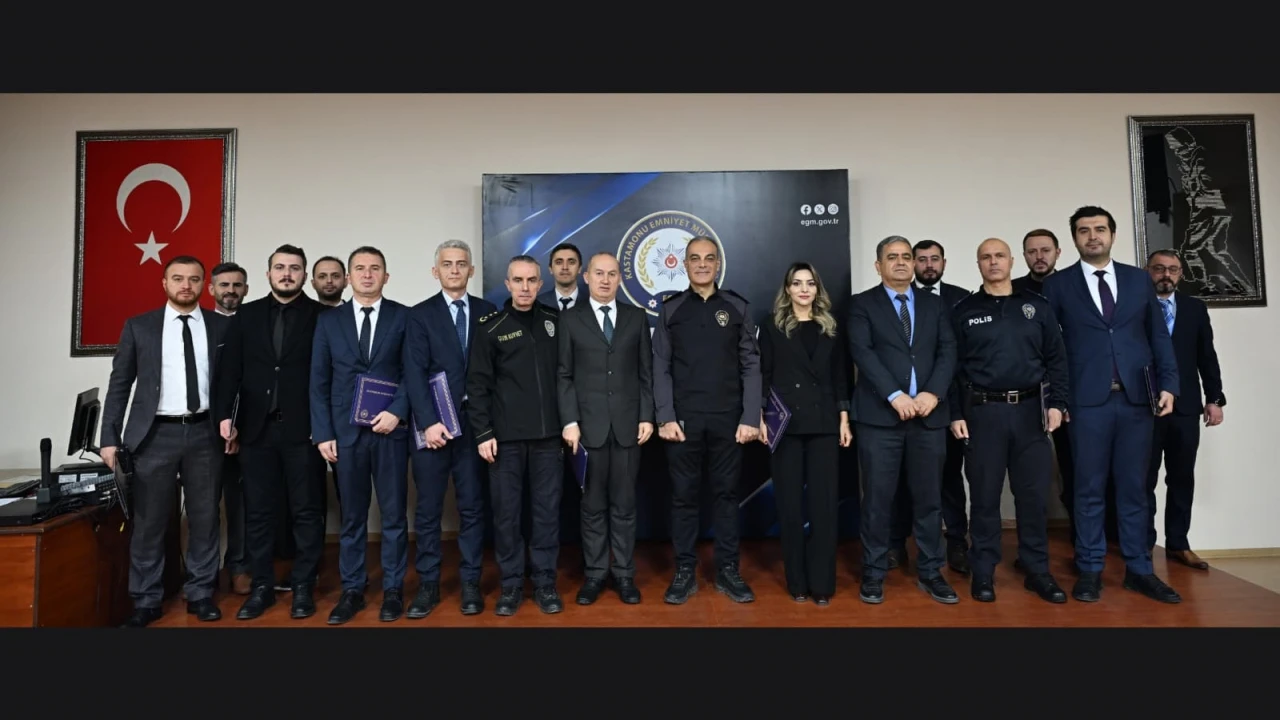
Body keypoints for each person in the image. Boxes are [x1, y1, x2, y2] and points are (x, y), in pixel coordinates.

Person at [1041, 206, 1181, 604]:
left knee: (1135, 489)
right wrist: (1056, 399)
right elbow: (1050, 349)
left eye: (1099, 229)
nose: (1092, 236)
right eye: (1084, 231)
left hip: (1137, 400)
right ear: (1074, 239)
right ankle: (1089, 569)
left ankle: (1140, 570)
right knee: (1088, 489)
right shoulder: (1058, 285)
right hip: (1086, 403)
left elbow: (1159, 336)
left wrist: (1170, 384)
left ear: (1112, 235)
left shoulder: (1139, 280)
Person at [101, 255, 230, 627]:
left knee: (205, 517)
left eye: (193, 279)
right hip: (154, 434)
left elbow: (234, 383)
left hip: (205, 432)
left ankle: (201, 593)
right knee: (150, 520)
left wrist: (232, 424)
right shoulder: (139, 327)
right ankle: (146, 599)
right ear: (164, 283)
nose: (186, 285)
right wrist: (109, 437)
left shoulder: (221, 327)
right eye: (178, 278)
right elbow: (119, 385)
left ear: (204, 285)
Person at [947, 238, 1069, 603]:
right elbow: (950, 368)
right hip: (983, 414)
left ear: (1012, 261)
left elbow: (1057, 359)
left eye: (999, 255)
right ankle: (983, 571)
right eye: (986, 257)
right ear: (978, 265)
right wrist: (955, 413)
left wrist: (1058, 404)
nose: (993, 262)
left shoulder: (1037, 306)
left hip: (1031, 412)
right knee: (984, 498)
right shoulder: (964, 310)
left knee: (1033, 497)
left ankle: (1037, 570)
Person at [217, 245, 328, 621]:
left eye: (294, 268)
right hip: (256, 430)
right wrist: (225, 417)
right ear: (268, 274)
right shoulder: (245, 316)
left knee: (307, 511)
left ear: (304, 275)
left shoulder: (322, 316)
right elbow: (229, 372)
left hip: (305, 429)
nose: (287, 274)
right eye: (280, 267)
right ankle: (261, 586)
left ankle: (303, 585)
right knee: (259, 512)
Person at [847, 235, 958, 605]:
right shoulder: (862, 304)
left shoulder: (935, 304)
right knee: (878, 501)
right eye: (892, 257)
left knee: (929, 500)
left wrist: (933, 394)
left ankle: (932, 572)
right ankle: (874, 572)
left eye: (906, 256)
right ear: (878, 265)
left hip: (928, 417)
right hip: (880, 420)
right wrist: (895, 395)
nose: (900, 262)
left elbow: (948, 351)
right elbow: (863, 352)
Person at [652, 236, 761, 604]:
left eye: (709, 258)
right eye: (695, 258)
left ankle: (728, 569)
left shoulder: (737, 307)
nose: (702, 264)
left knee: (727, 496)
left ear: (718, 264)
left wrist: (750, 416)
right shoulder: (671, 310)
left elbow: (751, 364)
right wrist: (665, 416)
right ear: (685, 265)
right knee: (683, 497)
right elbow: (660, 367)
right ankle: (685, 570)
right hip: (683, 423)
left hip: (729, 420)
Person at [310, 246, 412, 623]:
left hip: (390, 431)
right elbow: (318, 381)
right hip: (344, 433)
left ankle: (394, 590)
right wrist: (323, 433)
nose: (367, 275)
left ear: (386, 276)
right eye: (360, 269)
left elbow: (413, 371)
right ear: (349, 277)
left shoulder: (404, 317)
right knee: (352, 518)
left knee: (394, 516)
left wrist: (397, 411)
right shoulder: (329, 321)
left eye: (375, 268)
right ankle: (352, 589)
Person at [468, 254, 566, 615]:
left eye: (531, 280)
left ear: (541, 284)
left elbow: (567, 378)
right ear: (507, 284)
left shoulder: (555, 321)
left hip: (548, 439)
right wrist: (483, 433)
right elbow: (477, 385)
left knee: (546, 513)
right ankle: (510, 585)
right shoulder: (490, 327)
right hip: (505, 440)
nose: (525, 287)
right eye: (518, 280)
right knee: (507, 515)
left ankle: (544, 583)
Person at [403, 239, 496, 618]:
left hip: (475, 428)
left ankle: (471, 581)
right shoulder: (419, 315)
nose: (454, 270)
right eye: (447, 264)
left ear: (471, 270)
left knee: (472, 507)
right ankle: (428, 584)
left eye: (461, 264)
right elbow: (413, 372)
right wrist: (429, 422)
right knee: (428, 510)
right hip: (434, 429)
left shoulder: (489, 312)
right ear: (435, 271)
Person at [1013, 228, 1117, 559]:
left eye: (1045, 250)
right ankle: (1031, 549)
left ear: (1058, 252)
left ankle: (1084, 540)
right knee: (1028, 472)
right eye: (1032, 251)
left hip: (1071, 390)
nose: (1039, 256)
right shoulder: (1012, 291)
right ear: (1023, 256)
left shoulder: (1077, 285)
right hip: (1026, 393)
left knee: (1076, 467)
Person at [557, 251, 654, 605]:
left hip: (629, 427)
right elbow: (564, 375)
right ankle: (596, 574)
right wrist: (570, 421)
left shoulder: (636, 317)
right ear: (586, 277)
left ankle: (625, 575)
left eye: (612, 274)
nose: (605, 280)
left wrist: (647, 416)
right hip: (588, 430)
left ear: (619, 279)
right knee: (593, 507)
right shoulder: (570, 320)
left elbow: (645, 373)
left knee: (625, 506)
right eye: (599, 273)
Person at [757, 262, 851, 605]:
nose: (804, 289)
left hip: (825, 421)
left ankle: (822, 584)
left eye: (810, 283)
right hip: (786, 425)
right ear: (788, 289)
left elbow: (841, 376)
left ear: (817, 289)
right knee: (790, 506)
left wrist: (844, 418)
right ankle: (797, 582)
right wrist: (760, 417)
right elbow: (763, 373)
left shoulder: (831, 326)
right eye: (797, 283)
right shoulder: (772, 326)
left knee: (824, 506)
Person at [887, 239, 972, 575]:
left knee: (949, 479)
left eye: (934, 259)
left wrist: (947, 403)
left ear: (944, 263)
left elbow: (958, 357)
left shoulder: (961, 299)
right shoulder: (891, 300)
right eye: (921, 259)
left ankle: (956, 542)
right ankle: (897, 543)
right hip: (901, 407)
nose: (928, 265)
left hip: (946, 406)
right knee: (900, 480)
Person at [1144, 248, 1226, 569]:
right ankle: (1142, 545)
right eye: (1159, 268)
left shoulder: (1194, 308)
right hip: (1145, 407)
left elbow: (1207, 355)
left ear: (1180, 274)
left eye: (1172, 269)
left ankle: (1178, 543)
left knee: (1181, 478)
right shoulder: (1135, 306)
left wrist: (1214, 398)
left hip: (1187, 407)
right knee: (1143, 479)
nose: (1166, 274)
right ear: (1147, 271)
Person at [208, 261, 251, 595]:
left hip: (242, 429)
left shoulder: (252, 323)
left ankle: (238, 566)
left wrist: (235, 424)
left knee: (241, 504)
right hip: (201, 427)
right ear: (212, 289)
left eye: (237, 285)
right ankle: (204, 574)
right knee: (205, 504)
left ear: (246, 289)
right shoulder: (200, 325)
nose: (231, 291)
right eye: (224, 285)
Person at [309, 255, 349, 553]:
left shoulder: (357, 313)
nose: (329, 281)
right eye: (322, 276)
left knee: (348, 496)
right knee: (309, 497)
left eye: (335, 275)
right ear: (312, 282)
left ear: (346, 279)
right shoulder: (306, 318)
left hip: (350, 422)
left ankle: (350, 562)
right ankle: (313, 560)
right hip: (313, 419)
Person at [537, 242, 587, 312]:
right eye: (559, 262)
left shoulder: (591, 301)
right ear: (550, 269)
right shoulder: (537, 303)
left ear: (579, 268)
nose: (565, 267)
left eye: (571, 262)